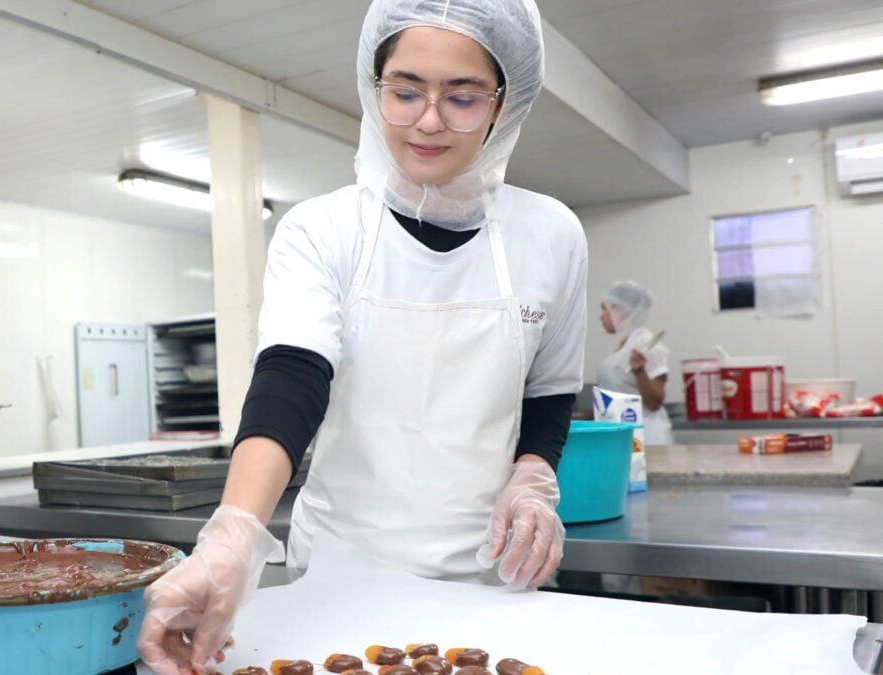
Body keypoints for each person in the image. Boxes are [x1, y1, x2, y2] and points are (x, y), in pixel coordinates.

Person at [138, 1, 588, 673]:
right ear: (372, 87)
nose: (429, 120)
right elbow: (292, 376)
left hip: (494, 581)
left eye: (461, 97)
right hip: (341, 582)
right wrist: (233, 533)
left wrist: (533, 476)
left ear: (504, 102)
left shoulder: (551, 234)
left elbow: (550, 394)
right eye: (405, 91)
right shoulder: (321, 230)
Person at [596, 280, 674, 445]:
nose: (601, 317)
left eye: (605, 309)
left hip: (647, 437)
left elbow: (654, 402)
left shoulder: (647, 344)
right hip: (623, 434)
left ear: (622, 310)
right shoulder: (620, 346)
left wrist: (640, 372)